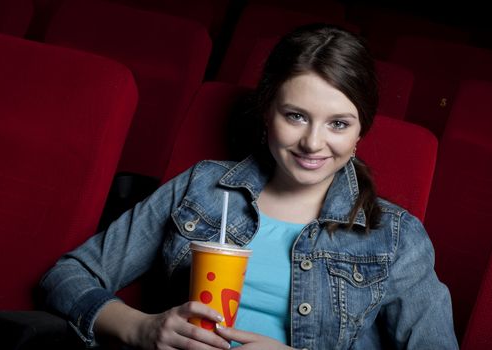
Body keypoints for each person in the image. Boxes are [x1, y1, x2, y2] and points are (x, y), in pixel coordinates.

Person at [41, 23, 458, 349]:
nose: (313, 142)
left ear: (360, 131)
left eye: (338, 124)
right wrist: (142, 328)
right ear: (266, 112)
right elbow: (66, 276)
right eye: (295, 115)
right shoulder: (202, 188)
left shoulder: (395, 237)